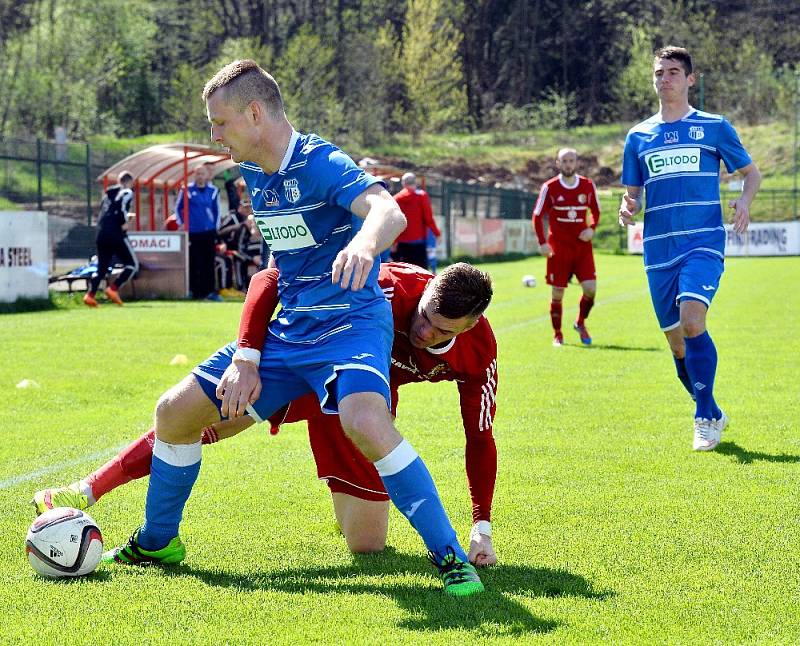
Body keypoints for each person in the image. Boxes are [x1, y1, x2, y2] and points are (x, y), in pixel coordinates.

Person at [95, 59, 483, 596]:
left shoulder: (319, 160)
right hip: (292, 331)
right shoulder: (255, 171)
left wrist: (365, 243)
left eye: (220, 122)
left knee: (364, 422)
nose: (214, 134)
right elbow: (277, 269)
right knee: (173, 413)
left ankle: (450, 557)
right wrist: (247, 355)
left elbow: (385, 210)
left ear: (255, 114)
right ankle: (159, 540)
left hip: (351, 323)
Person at [34, 261, 499, 566]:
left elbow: (479, 437)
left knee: (366, 546)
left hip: (366, 409)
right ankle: (85, 490)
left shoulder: (479, 353)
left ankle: (362, 508)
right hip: (311, 365)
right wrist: (249, 358)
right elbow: (272, 278)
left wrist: (481, 526)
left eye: (439, 329)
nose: (421, 329)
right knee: (202, 417)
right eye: (422, 315)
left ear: (470, 324)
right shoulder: (386, 284)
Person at [618, 46, 761, 451]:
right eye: (659, 72)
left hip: (702, 243)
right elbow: (633, 193)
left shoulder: (714, 127)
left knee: (693, 321)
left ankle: (702, 419)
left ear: (690, 79)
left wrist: (745, 201)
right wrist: (628, 206)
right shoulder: (638, 136)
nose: (665, 79)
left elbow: (751, 174)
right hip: (658, 250)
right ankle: (712, 408)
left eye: (674, 72)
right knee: (677, 342)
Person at [531, 148, 600, 347]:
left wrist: (592, 228)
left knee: (590, 289)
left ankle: (580, 322)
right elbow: (537, 216)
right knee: (558, 293)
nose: (568, 164)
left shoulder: (587, 185)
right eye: (564, 161)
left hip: (582, 248)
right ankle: (558, 334)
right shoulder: (550, 187)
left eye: (571, 160)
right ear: (558, 163)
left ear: (577, 162)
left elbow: (595, 211)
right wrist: (542, 242)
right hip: (559, 248)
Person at [83, 170, 139, 307]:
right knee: (132, 265)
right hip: (116, 233)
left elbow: (108, 212)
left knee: (102, 269)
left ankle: (90, 295)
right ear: (130, 182)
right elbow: (121, 208)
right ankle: (113, 289)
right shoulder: (127, 192)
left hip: (101, 233)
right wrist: (124, 221)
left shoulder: (107, 195)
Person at [175, 163, 222, 301]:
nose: (200, 176)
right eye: (198, 173)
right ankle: (194, 292)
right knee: (194, 261)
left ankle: (209, 292)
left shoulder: (213, 191)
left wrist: (215, 227)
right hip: (193, 232)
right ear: (194, 175)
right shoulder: (186, 190)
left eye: (203, 173)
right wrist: (182, 223)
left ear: (207, 175)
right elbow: (178, 208)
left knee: (208, 262)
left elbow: (217, 211)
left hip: (208, 232)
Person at [392, 172, 441, 270]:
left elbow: (394, 222)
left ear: (403, 183)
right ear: (415, 182)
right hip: (419, 241)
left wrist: (394, 242)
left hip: (402, 242)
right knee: (420, 272)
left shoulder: (396, 199)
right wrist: (437, 233)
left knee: (404, 273)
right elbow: (428, 218)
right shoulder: (421, 196)